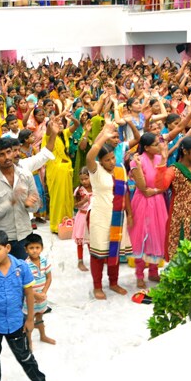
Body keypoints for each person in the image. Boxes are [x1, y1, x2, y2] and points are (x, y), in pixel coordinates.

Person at [0, 230, 55, 381]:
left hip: (16, 322)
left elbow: (29, 293)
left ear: (7, 248)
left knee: (25, 355)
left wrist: (30, 319)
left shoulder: (21, 267)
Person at [85, 122, 131, 300]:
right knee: (98, 253)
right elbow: (90, 155)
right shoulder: (95, 170)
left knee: (115, 251)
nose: (111, 162)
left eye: (112, 158)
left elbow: (125, 192)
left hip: (118, 216)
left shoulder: (120, 169)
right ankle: (97, 286)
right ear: (100, 161)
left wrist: (130, 214)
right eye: (107, 160)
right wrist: (103, 135)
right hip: (100, 216)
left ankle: (113, 282)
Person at [0, 137, 41, 260]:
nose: (7, 157)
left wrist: (29, 205)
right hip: (2, 240)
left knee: (25, 270)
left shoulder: (26, 175)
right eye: (1, 154)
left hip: (25, 235)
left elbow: (36, 206)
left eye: (9, 152)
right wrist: (10, 203)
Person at [128, 133, 169, 288]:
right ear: (146, 147)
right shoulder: (137, 161)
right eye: (156, 144)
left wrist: (164, 159)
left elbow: (164, 184)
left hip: (158, 202)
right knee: (142, 237)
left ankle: (153, 271)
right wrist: (156, 189)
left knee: (157, 235)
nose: (159, 146)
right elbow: (144, 188)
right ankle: (139, 274)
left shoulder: (159, 159)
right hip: (143, 203)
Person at [22, 232, 55, 347]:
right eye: (31, 248)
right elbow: (24, 285)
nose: (34, 250)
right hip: (30, 300)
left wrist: (44, 292)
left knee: (40, 317)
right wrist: (35, 294)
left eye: (37, 247)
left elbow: (49, 278)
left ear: (42, 248)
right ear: (26, 250)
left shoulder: (45, 261)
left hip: (42, 299)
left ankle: (43, 335)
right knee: (30, 320)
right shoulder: (25, 266)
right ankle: (29, 341)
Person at [72, 167, 92, 271]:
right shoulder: (79, 190)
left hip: (92, 218)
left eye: (86, 178)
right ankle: (80, 261)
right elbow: (75, 205)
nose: (84, 181)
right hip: (82, 218)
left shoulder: (96, 188)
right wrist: (84, 201)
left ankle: (94, 259)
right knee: (80, 241)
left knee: (91, 240)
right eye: (81, 179)